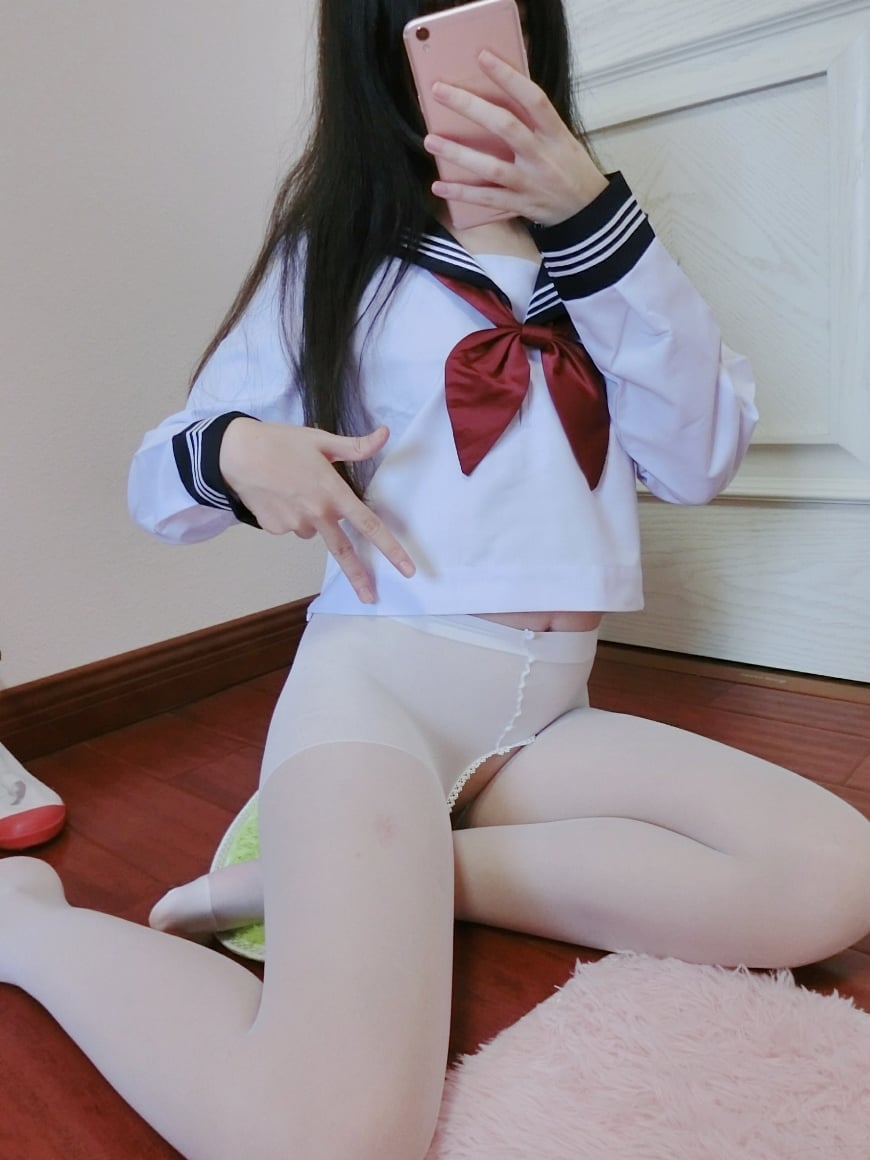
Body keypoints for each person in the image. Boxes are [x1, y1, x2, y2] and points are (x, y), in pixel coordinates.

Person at [3, 2, 870, 1157]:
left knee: (832, 873)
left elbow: (698, 457)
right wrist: (237, 450)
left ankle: (342, 883)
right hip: (380, 696)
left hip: (547, 719)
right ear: (378, 51)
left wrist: (596, 221)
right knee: (331, 1135)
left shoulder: (604, 255)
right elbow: (156, 483)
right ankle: (28, 928)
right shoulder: (333, 257)